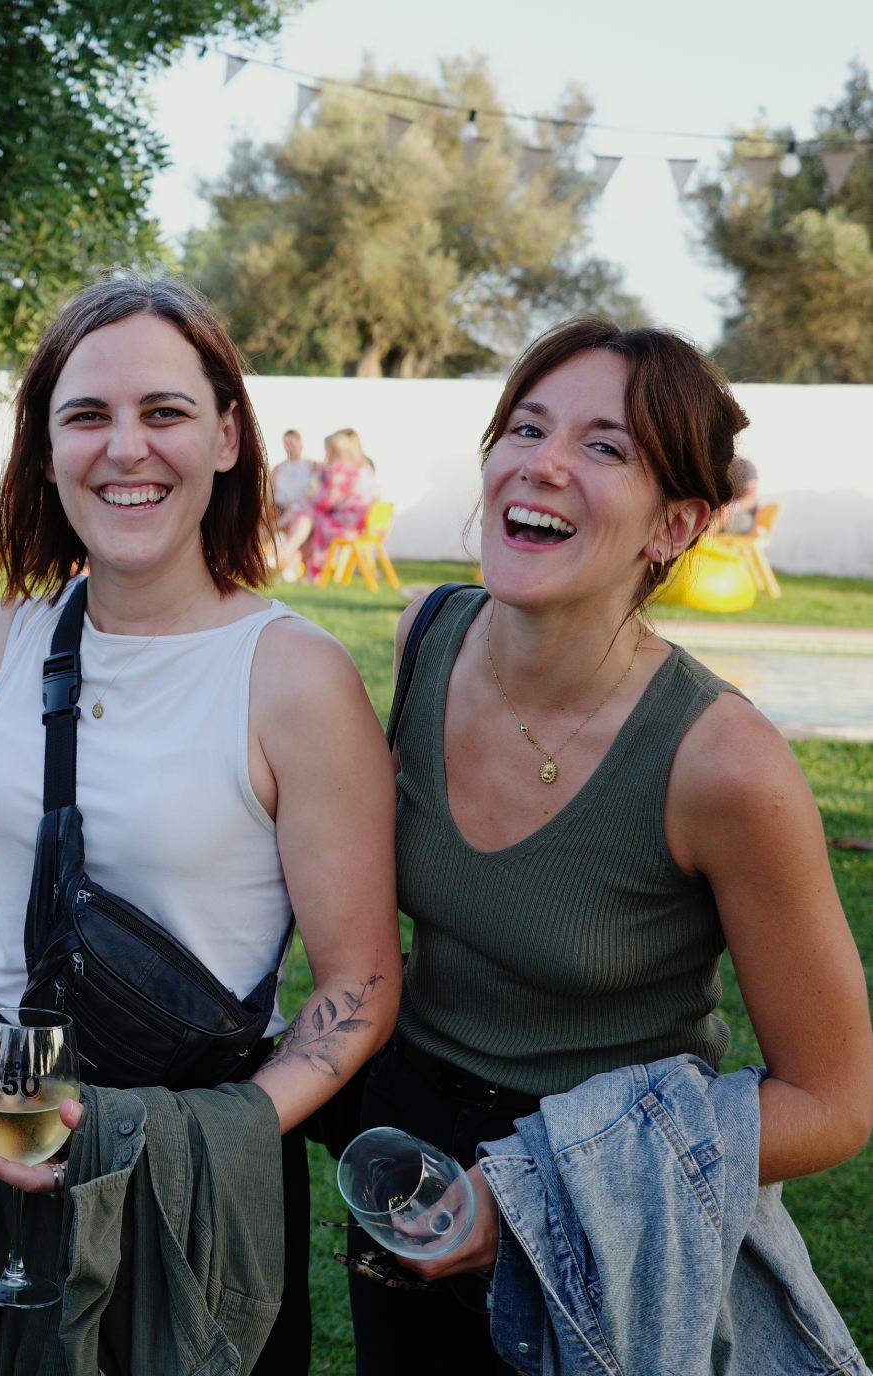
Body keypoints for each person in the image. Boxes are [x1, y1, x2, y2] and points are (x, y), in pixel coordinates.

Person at [0, 276, 402, 1374]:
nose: (127, 449)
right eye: (88, 416)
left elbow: (360, 983)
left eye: (163, 412)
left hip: (186, 1166)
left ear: (224, 435)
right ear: (46, 448)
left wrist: (205, 1138)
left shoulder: (294, 676)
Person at [350, 318, 873, 1370]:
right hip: (413, 1160)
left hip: (609, 1201)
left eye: (603, 446)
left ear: (674, 524)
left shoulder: (722, 763)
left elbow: (833, 1101)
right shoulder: (426, 635)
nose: (539, 461)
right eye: (525, 426)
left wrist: (544, 1184)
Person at [304, 426, 380, 579]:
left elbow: (327, 501)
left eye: (326, 449)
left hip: (347, 525)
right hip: (362, 524)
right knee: (312, 519)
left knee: (314, 522)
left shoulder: (338, 470)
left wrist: (313, 498)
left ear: (331, 450)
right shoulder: (363, 468)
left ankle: (314, 573)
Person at [269, 428, 319, 579]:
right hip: (282, 510)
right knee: (293, 517)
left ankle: (281, 557)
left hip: (303, 512)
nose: (288, 447)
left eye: (291, 443)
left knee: (301, 520)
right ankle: (286, 563)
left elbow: (314, 493)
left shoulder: (312, 466)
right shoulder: (278, 469)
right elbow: (273, 496)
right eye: (285, 444)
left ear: (300, 443)